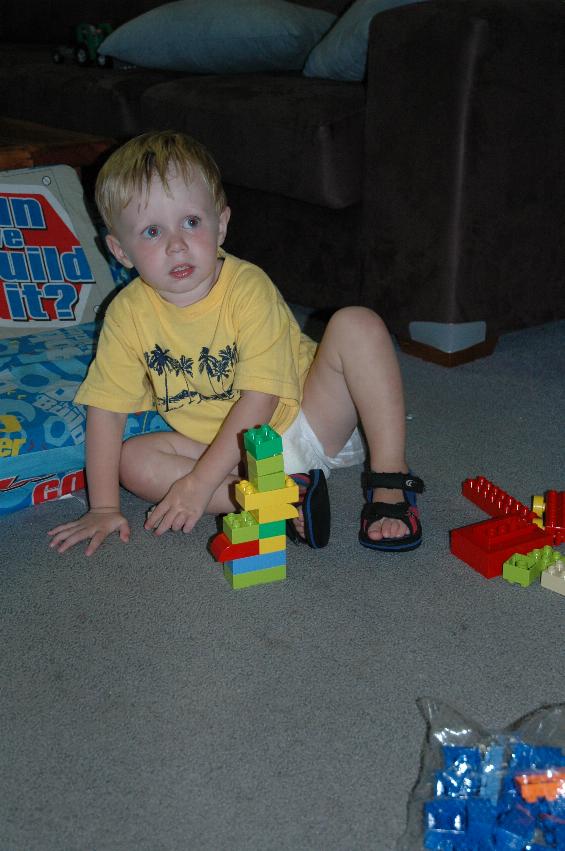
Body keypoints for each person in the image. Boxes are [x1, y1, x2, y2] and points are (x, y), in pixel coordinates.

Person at [48, 131, 424, 557]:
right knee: (131, 460)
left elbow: (260, 398)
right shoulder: (126, 315)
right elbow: (107, 411)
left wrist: (198, 483)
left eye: (191, 222)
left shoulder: (248, 288)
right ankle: (277, 500)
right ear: (121, 251)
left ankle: (390, 480)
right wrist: (102, 506)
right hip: (230, 456)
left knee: (357, 323)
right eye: (152, 231)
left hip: (306, 416)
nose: (177, 244)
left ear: (221, 224)